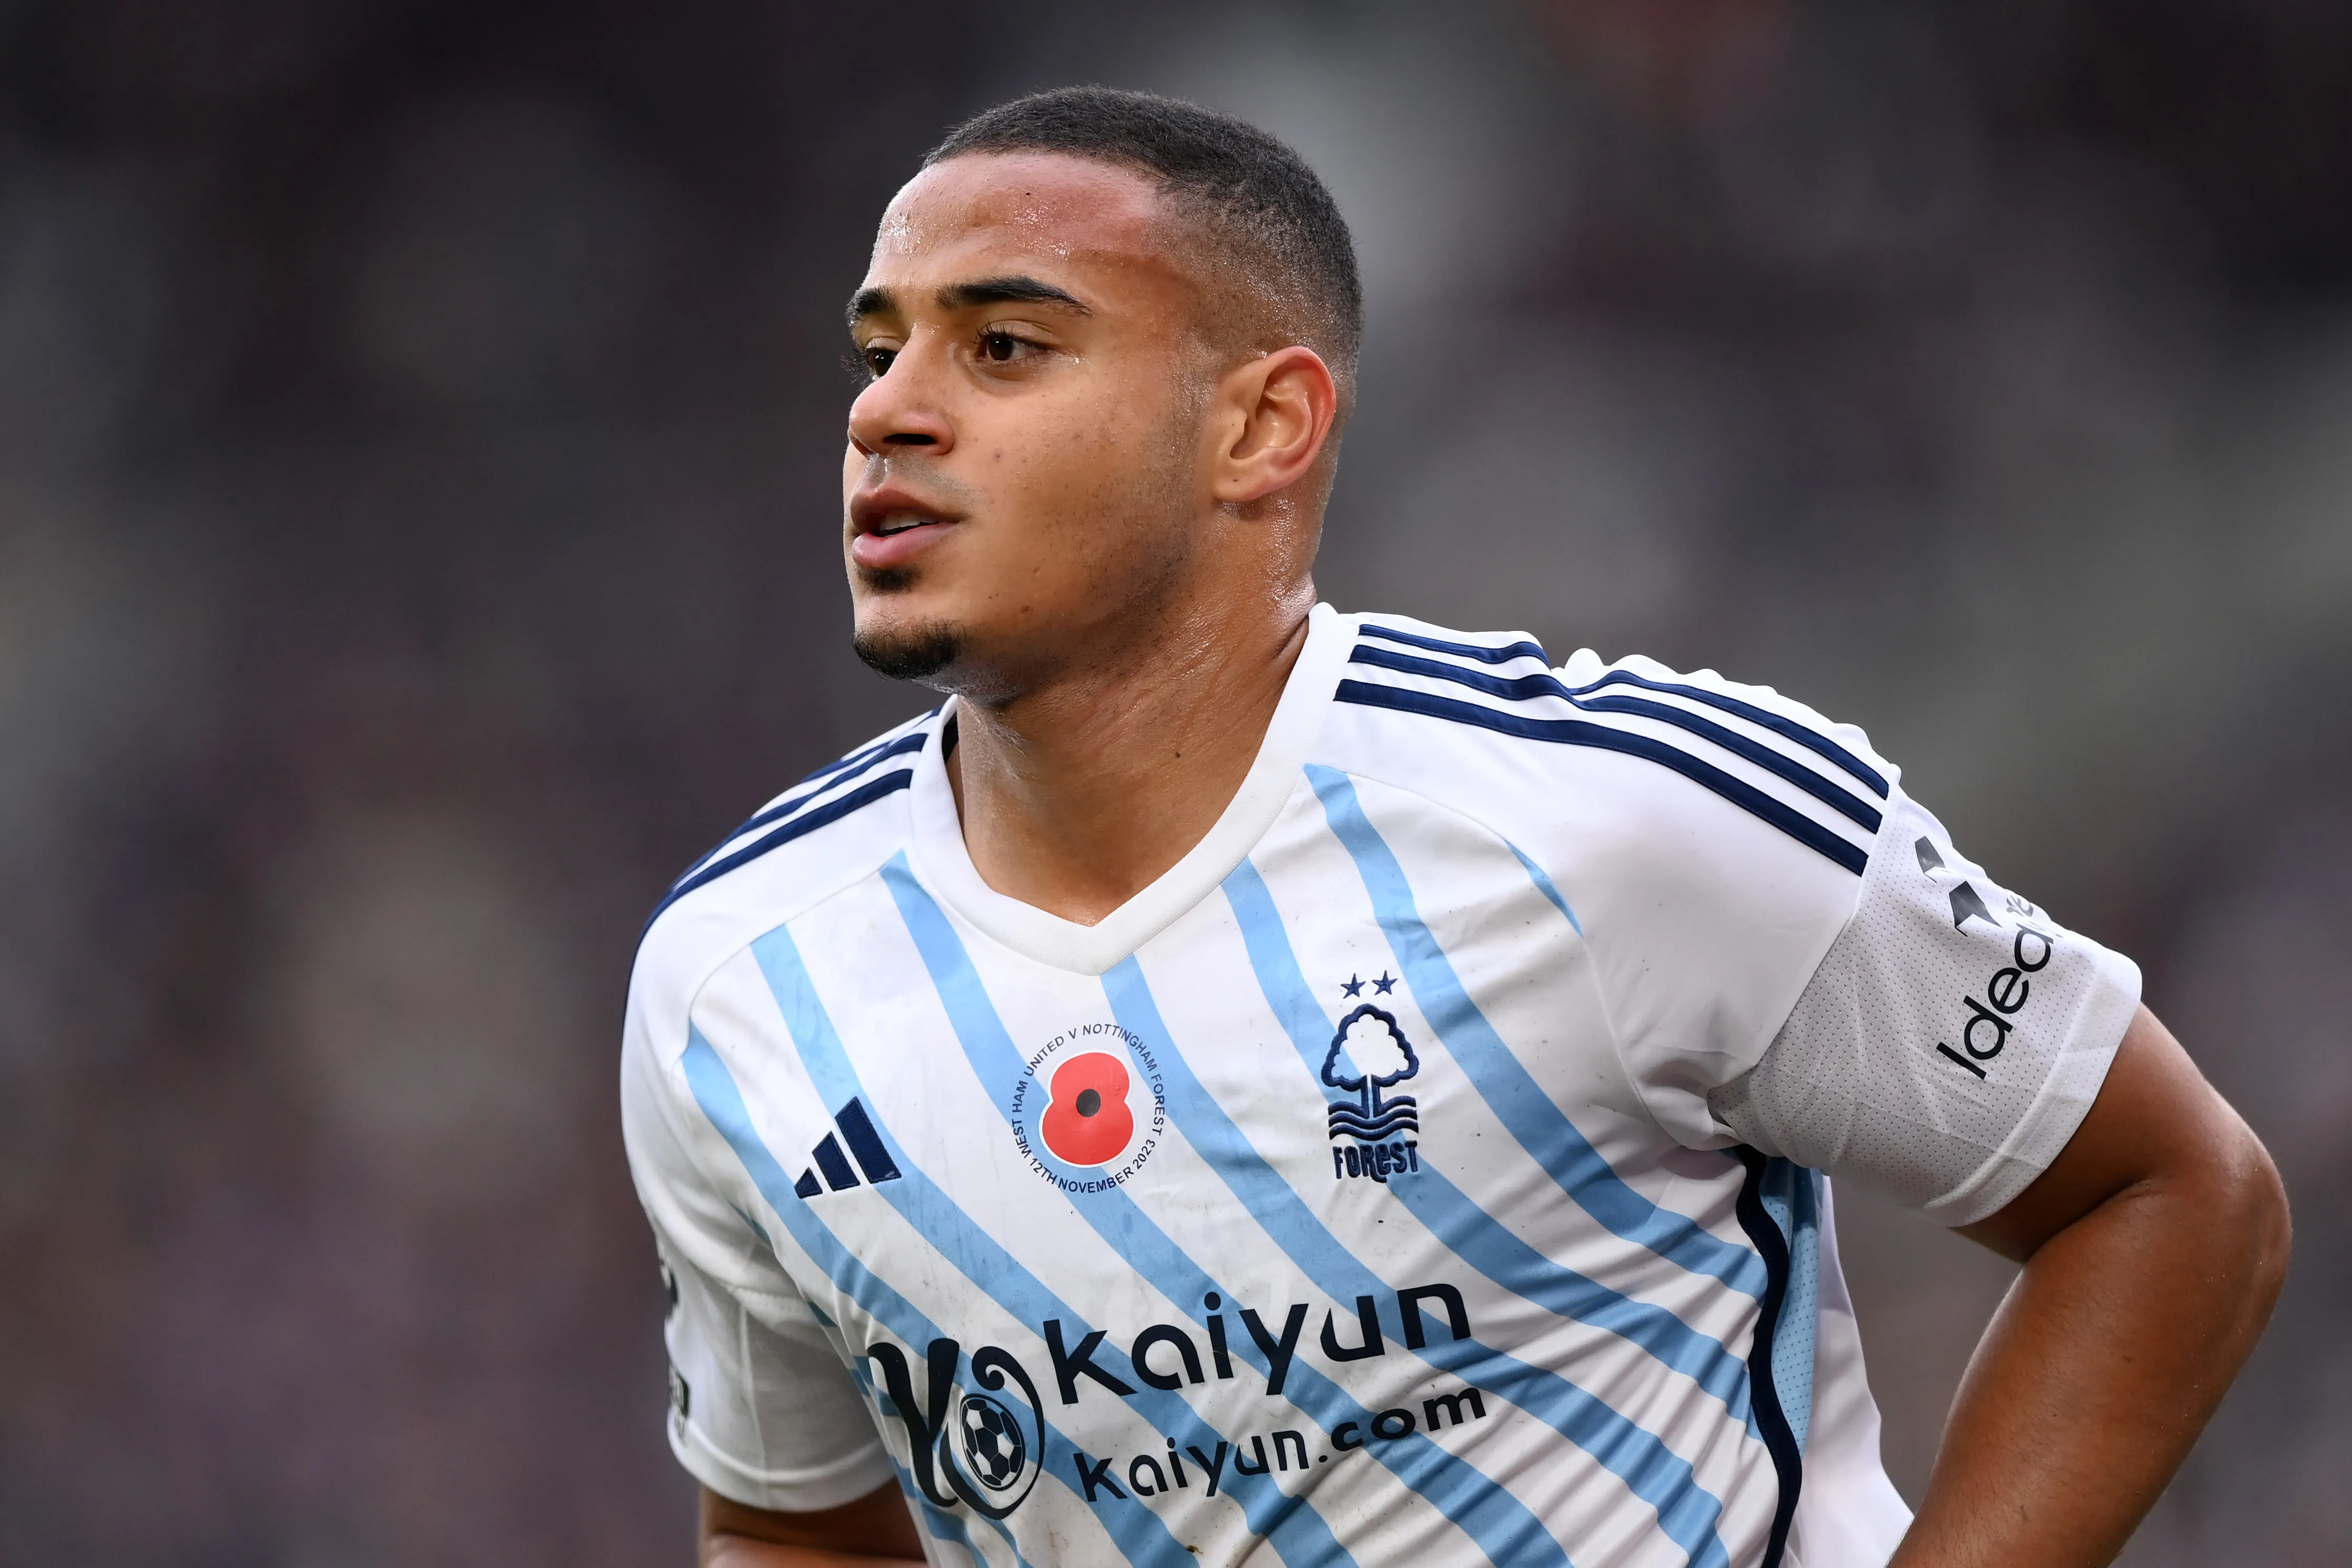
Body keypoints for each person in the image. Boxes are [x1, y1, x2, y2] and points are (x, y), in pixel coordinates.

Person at [619, 87, 2288, 1568]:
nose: (886, 411)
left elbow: (2171, 1189)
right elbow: (792, 1520)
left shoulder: (1625, 823)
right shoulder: (735, 982)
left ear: (1261, 428)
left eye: (1003, 345)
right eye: (879, 347)